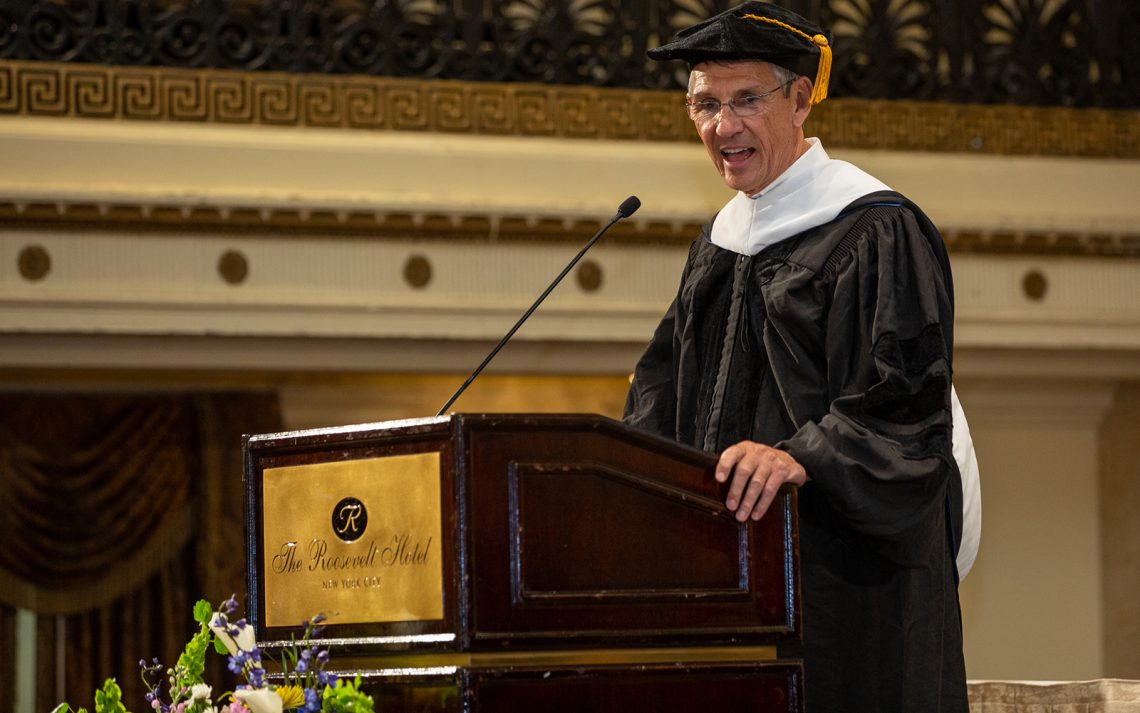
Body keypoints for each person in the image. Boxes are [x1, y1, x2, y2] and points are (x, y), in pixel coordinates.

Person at [623, 3, 980, 710]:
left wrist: (802, 457)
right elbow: (659, 402)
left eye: (746, 100)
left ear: (800, 98)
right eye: (705, 104)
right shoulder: (718, 249)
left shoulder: (877, 230)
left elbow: (903, 406)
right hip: (732, 592)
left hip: (842, 596)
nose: (724, 128)